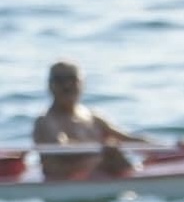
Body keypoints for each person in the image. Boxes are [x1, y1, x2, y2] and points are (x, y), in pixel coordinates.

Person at [30, 61, 158, 180]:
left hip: (97, 172)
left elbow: (129, 139)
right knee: (112, 156)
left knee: (114, 155)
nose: (67, 85)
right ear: (50, 85)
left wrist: (167, 148)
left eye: (72, 79)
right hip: (64, 178)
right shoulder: (46, 121)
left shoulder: (92, 116)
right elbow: (63, 150)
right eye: (60, 80)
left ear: (82, 83)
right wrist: (104, 150)